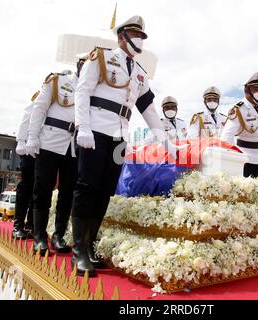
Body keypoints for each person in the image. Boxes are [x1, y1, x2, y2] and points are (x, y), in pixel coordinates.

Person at [72, 15, 181, 276]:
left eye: (142, 37)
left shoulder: (140, 74)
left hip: (119, 136)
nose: (139, 40)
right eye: (135, 35)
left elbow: (149, 110)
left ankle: (89, 246)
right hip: (95, 131)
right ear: (121, 37)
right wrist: (82, 126)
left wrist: (166, 142)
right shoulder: (100, 58)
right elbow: (82, 91)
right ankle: (78, 251)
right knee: (87, 188)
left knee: (104, 192)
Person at [26, 53, 88, 255]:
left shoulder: (92, 88)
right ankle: (39, 236)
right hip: (50, 141)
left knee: (68, 192)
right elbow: (40, 108)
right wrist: (32, 137)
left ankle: (58, 236)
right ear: (79, 64)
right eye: (85, 63)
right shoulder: (58, 80)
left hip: (73, 146)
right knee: (42, 188)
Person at [220, 72, 258, 179]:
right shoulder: (239, 110)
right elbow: (226, 137)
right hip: (248, 160)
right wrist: (232, 160)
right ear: (247, 90)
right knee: (249, 194)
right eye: (256, 89)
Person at [12, 91, 40, 239]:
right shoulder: (38, 101)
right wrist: (21, 140)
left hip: (44, 150)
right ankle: (18, 225)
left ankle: (31, 225)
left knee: (39, 189)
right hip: (29, 150)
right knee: (26, 187)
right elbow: (25, 120)